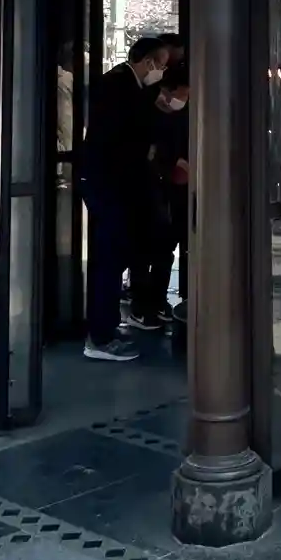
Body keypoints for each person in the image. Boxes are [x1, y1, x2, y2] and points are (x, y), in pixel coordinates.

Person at [78, 36, 169, 359]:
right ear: (147, 61)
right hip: (109, 184)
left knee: (114, 257)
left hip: (111, 183)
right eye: (161, 65)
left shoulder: (124, 84)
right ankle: (100, 338)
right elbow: (124, 138)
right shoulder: (119, 86)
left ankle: (105, 327)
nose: (161, 71)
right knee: (109, 258)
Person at [146, 62, 191, 330]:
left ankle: (162, 301)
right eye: (184, 92)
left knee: (176, 247)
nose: (185, 98)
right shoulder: (155, 114)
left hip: (180, 191)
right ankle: (152, 302)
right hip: (163, 191)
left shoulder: (184, 114)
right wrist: (174, 163)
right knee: (162, 251)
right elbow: (152, 154)